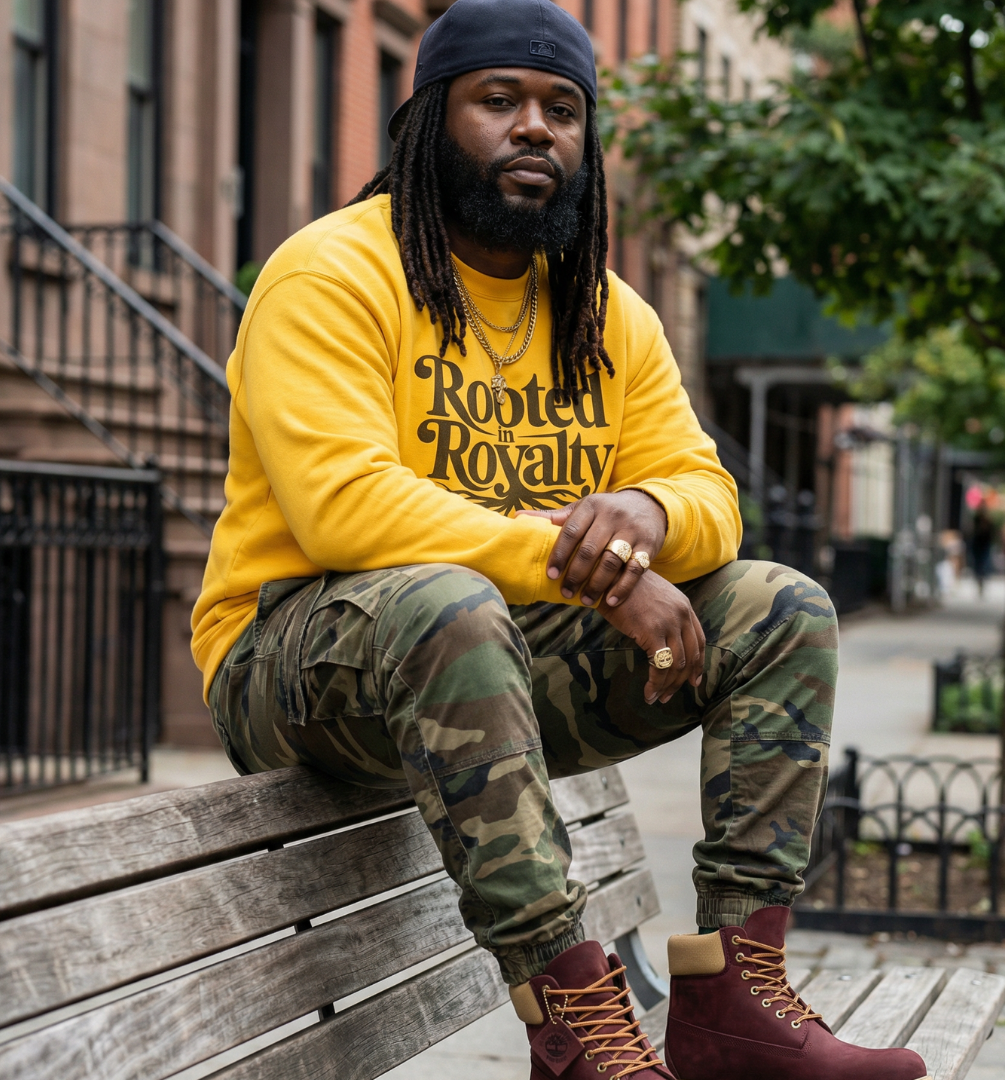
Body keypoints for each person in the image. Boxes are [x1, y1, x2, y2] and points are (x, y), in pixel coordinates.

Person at [191, 2, 928, 1077]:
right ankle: (578, 1028)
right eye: (500, 101)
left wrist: (652, 518)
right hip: (297, 665)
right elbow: (343, 506)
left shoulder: (603, 311)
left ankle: (734, 1002)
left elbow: (709, 493)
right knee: (448, 601)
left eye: (563, 109)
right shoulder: (332, 275)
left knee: (779, 607)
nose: (536, 128)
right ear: (428, 123)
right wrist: (590, 570)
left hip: (493, 659)